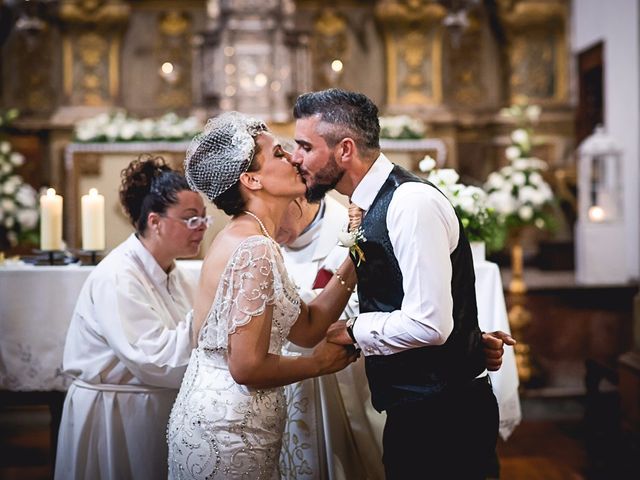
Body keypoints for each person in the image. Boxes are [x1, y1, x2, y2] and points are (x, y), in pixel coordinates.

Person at [289, 88, 514, 479]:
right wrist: (471, 339)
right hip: (419, 409)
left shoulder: (410, 204)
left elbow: (429, 323)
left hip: (444, 418)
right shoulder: (371, 204)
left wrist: (356, 329)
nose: (296, 158)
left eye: (305, 146)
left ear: (344, 150)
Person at [166, 111, 359, 480]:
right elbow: (246, 367)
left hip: (236, 421)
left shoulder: (249, 236)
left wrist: (355, 255)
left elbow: (306, 328)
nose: (295, 159)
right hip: (228, 433)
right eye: (279, 155)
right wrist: (319, 364)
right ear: (251, 179)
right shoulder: (253, 247)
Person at [55, 156, 210, 480]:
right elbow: (155, 360)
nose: (202, 228)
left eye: (204, 219)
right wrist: (212, 307)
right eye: (190, 219)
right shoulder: (118, 276)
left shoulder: (177, 274)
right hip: (115, 418)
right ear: (155, 221)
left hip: (151, 411)